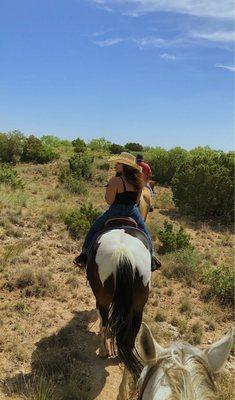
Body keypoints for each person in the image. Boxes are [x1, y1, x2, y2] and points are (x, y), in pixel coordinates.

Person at [73, 152, 160, 270]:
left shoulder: (115, 181)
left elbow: (109, 201)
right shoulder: (138, 182)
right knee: (145, 231)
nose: (115, 164)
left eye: (118, 163)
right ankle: (151, 258)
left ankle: (84, 255)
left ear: (124, 166)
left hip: (115, 211)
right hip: (132, 211)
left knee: (93, 228)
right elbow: (136, 201)